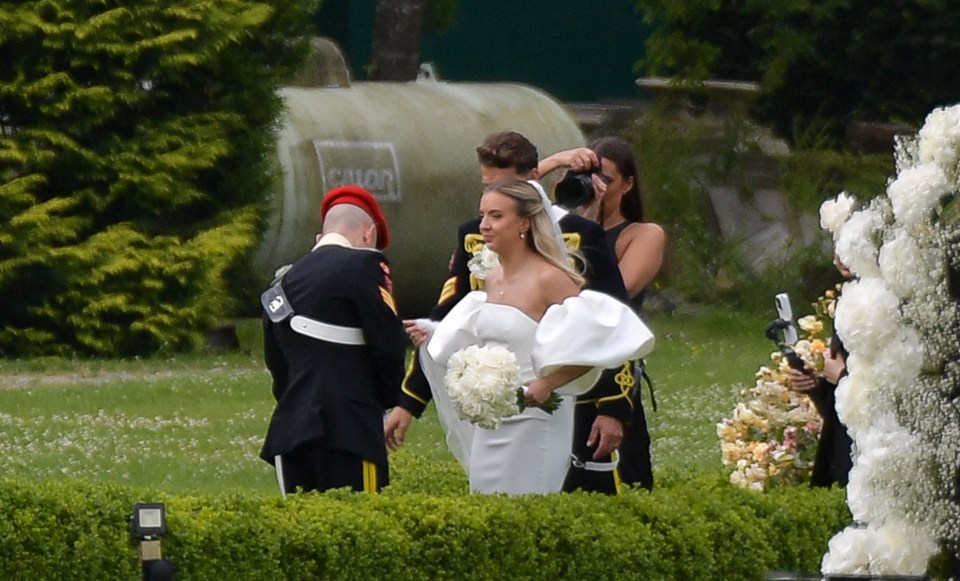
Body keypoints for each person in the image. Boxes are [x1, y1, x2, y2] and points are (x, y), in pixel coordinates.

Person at [384, 131, 635, 494]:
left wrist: (613, 407)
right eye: (489, 187)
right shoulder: (477, 240)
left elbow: (607, 323)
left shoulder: (580, 237)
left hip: (563, 398)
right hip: (496, 411)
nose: (488, 214)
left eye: (506, 188)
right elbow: (449, 321)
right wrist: (410, 401)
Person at [259, 184, 407, 495]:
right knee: (360, 531)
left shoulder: (280, 284)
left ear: (320, 238)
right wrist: (386, 400)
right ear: (368, 234)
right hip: (351, 428)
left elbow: (277, 364)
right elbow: (389, 343)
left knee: (305, 533)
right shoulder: (365, 263)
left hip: (292, 430)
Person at [544, 136, 666, 491]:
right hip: (560, 367)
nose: (595, 186)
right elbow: (505, 194)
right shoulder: (556, 231)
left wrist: (590, 226)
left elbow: (611, 297)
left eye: (606, 179)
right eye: (587, 176)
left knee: (613, 482)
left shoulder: (643, 234)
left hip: (611, 372)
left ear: (628, 184)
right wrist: (558, 163)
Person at [787, 253, 854, 487]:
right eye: (836, 244)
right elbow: (837, 410)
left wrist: (843, 378)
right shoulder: (849, 297)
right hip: (843, 452)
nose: (840, 256)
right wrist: (816, 386)